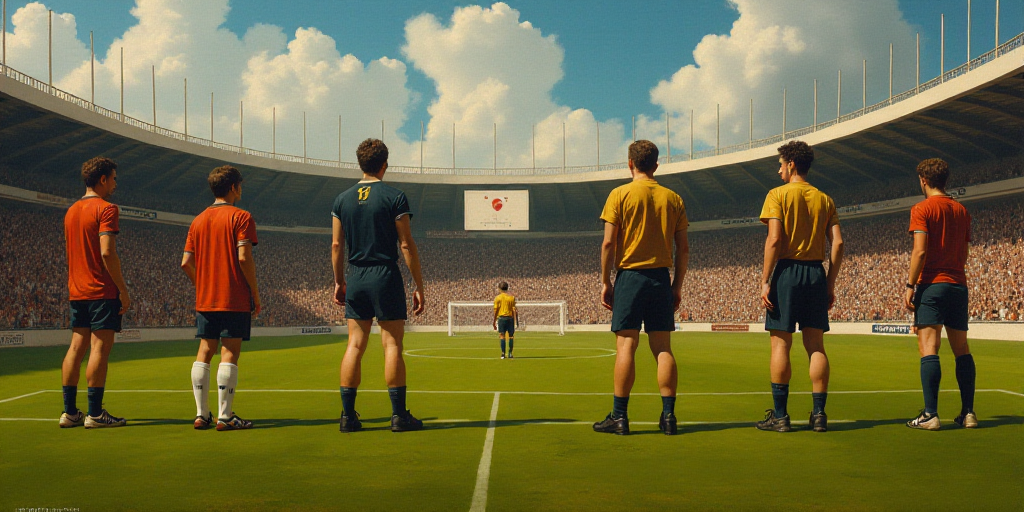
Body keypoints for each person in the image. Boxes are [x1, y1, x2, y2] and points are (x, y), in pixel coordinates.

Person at [593, 140, 689, 436]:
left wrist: (606, 281)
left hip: (631, 277)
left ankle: (619, 417)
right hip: (660, 277)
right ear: (656, 165)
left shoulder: (619, 194)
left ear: (630, 163)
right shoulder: (673, 198)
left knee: (626, 346)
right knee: (662, 348)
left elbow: (609, 242)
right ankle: (669, 417)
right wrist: (676, 286)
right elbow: (682, 249)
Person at [332, 138, 426, 433]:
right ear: (385, 164)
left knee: (355, 345)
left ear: (360, 163)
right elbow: (406, 244)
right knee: (392, 344)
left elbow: (337, 244)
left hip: (356, 275)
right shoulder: (395, 197)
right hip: (385, 275)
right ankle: (399, 416)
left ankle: (348, 417)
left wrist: (339, 281)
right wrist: (418, 284)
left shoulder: (342, 199)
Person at [757, 140, 844, 433]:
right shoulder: (824, 198)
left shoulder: (777, 195)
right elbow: (839, 243)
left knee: (781, 344)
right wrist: (829, 282)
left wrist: (765, 279)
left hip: (787, 272)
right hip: (815, 273)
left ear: (791, 163)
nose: (778, 168)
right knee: (816, 346)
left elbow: (774, 239)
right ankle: (819, 414)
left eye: (781, 163)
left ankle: (780, 416)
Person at [181, 166, 261, 431]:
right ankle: (226, 417)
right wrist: (254, 292)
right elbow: (243, 257)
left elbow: (185, 263)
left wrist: (202, 284)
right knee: (230, 351)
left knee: (205, 350)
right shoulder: (242, 217)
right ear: (234, 188)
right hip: (233, 297)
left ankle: (201, 415)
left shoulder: (198, 220)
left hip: (206, 298)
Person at [904, 158, 976, 430]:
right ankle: (968, 413)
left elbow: (920, 250)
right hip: (958, 284)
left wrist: (910, 285)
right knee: (962, 349)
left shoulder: (922, 209)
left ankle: (931, 414)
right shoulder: (961, 210)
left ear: (923, 180)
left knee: (928, 348)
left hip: (932, 285)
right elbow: (965, 252)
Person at [60, 157, 131, 429]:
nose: (115, 183)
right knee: (99, 348)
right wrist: (122, 290)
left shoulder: (71, 211)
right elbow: (106, 251)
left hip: (77, 290)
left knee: (76, 347)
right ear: (102, 179)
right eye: (113, 178)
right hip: (101, 290)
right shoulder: (107, 209)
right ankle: (95, 414)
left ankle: (69, 412)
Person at [492, 281, 518, 359]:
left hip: (501, 318)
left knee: (502, 336)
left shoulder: (497, 298)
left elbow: (496, 310)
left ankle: (503, 353)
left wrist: (494, 321)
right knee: (511, 336)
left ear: (499, 288)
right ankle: (510, 353)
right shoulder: (511, 298)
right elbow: (514, 310)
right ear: (507, 288)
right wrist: (515, 321)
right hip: (510, 318)